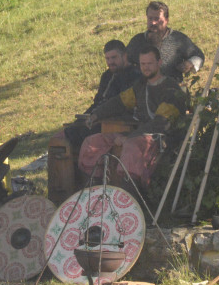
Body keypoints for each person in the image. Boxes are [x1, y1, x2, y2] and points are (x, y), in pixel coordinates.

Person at [78, 46, 188, 189]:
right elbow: (119, 102)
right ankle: (95, 192)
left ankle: (131, 198)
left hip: (162, 138)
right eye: (143, 64)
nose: (146, 68)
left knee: (131, 146)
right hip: (139, 134)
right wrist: (96, 114)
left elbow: (162, 123)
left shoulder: (170, 89)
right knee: (92, 142)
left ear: (159, 62)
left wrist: (129, 137)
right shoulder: (141, 86)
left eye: (149, 63)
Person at [125, 1, 205, 82]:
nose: (153, 22)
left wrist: (190, 63)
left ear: (166, 20)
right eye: (150, 18)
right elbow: (124, 62)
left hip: (172, 90)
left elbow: (198, 55)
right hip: (143, 90)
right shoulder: (137, 41)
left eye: (157, 19)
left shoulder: (177, 39)